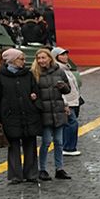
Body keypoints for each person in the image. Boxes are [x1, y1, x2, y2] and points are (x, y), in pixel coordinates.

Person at [0, 48, 41, 185]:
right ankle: (15, 175)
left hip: (29, 114)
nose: (24, 62)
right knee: (13, 146)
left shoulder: (28, 75)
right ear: (12, 60)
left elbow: (36, 90)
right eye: (21, 59)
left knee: (30, 144)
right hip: (10, 116)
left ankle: (31, 174)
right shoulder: (1, 76)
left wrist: (35, 98)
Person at [31, 49, 71, 180]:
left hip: (58, 110)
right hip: (45, 113)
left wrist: (62, 86)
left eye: (43, 58)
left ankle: (59, 168)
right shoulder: (34, 74)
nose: (41, 60)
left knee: (59, 142)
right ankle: (42, 169)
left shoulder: (59, 71)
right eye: (39, 58)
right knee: (46, 142)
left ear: (49, 58)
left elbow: (67, 90)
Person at [55, 48, 83, 158]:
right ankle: (68, 147)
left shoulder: (66, 68)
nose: (65, 57)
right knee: (72, 123)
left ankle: (66, 146)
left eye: (66, 54)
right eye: (62, 55)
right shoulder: (59, 70)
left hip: (73, 100)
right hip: (67, 101)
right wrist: (65, 102)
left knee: (68, 123)